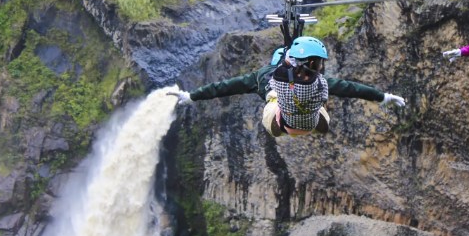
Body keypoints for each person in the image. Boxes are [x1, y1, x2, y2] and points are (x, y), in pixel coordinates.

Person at [168, 36, 405, 137]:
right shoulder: (319, 81)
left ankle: (279, 105)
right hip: (311, 124)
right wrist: (382, 97)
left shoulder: (262, 77)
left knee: (274, 99)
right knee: (319, 98)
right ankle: (311, 112)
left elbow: (225, 87)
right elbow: (352, 88)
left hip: (279, 125)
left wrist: (192, 96)